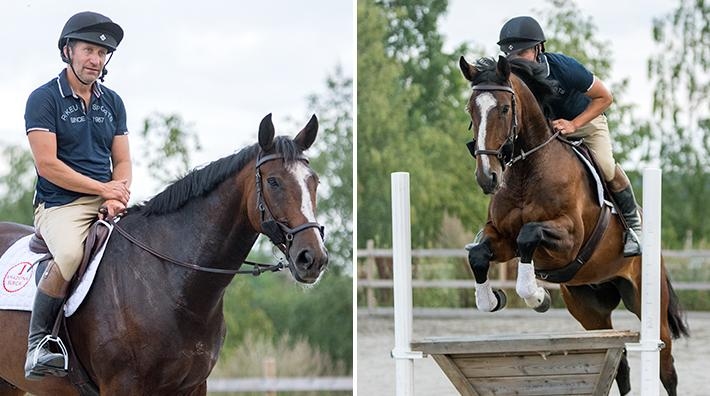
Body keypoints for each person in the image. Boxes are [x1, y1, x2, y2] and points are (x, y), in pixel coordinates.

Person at [23, 11, 131, 379]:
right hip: (59, 206)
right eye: (88, 50)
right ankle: (39, 344)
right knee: (69, 254)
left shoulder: (113, 102)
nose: (95, 60)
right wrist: (103, 188)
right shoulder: (44, 99)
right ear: (68, 50)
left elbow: (123, 160)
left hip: (106, 201)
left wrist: (117, 194)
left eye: (102, 54)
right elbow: (47, 165)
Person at [496, 15, 642, 257]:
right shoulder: (514, 79)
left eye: (522, 53)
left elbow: (605, 97)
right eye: (511, 56)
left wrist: (574, 124)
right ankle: (496, 226)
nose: (516, 60)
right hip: (547, 133)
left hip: (586, 121)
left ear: (538, 48)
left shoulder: (564, 67)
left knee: (605, 166)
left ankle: (633, 225)